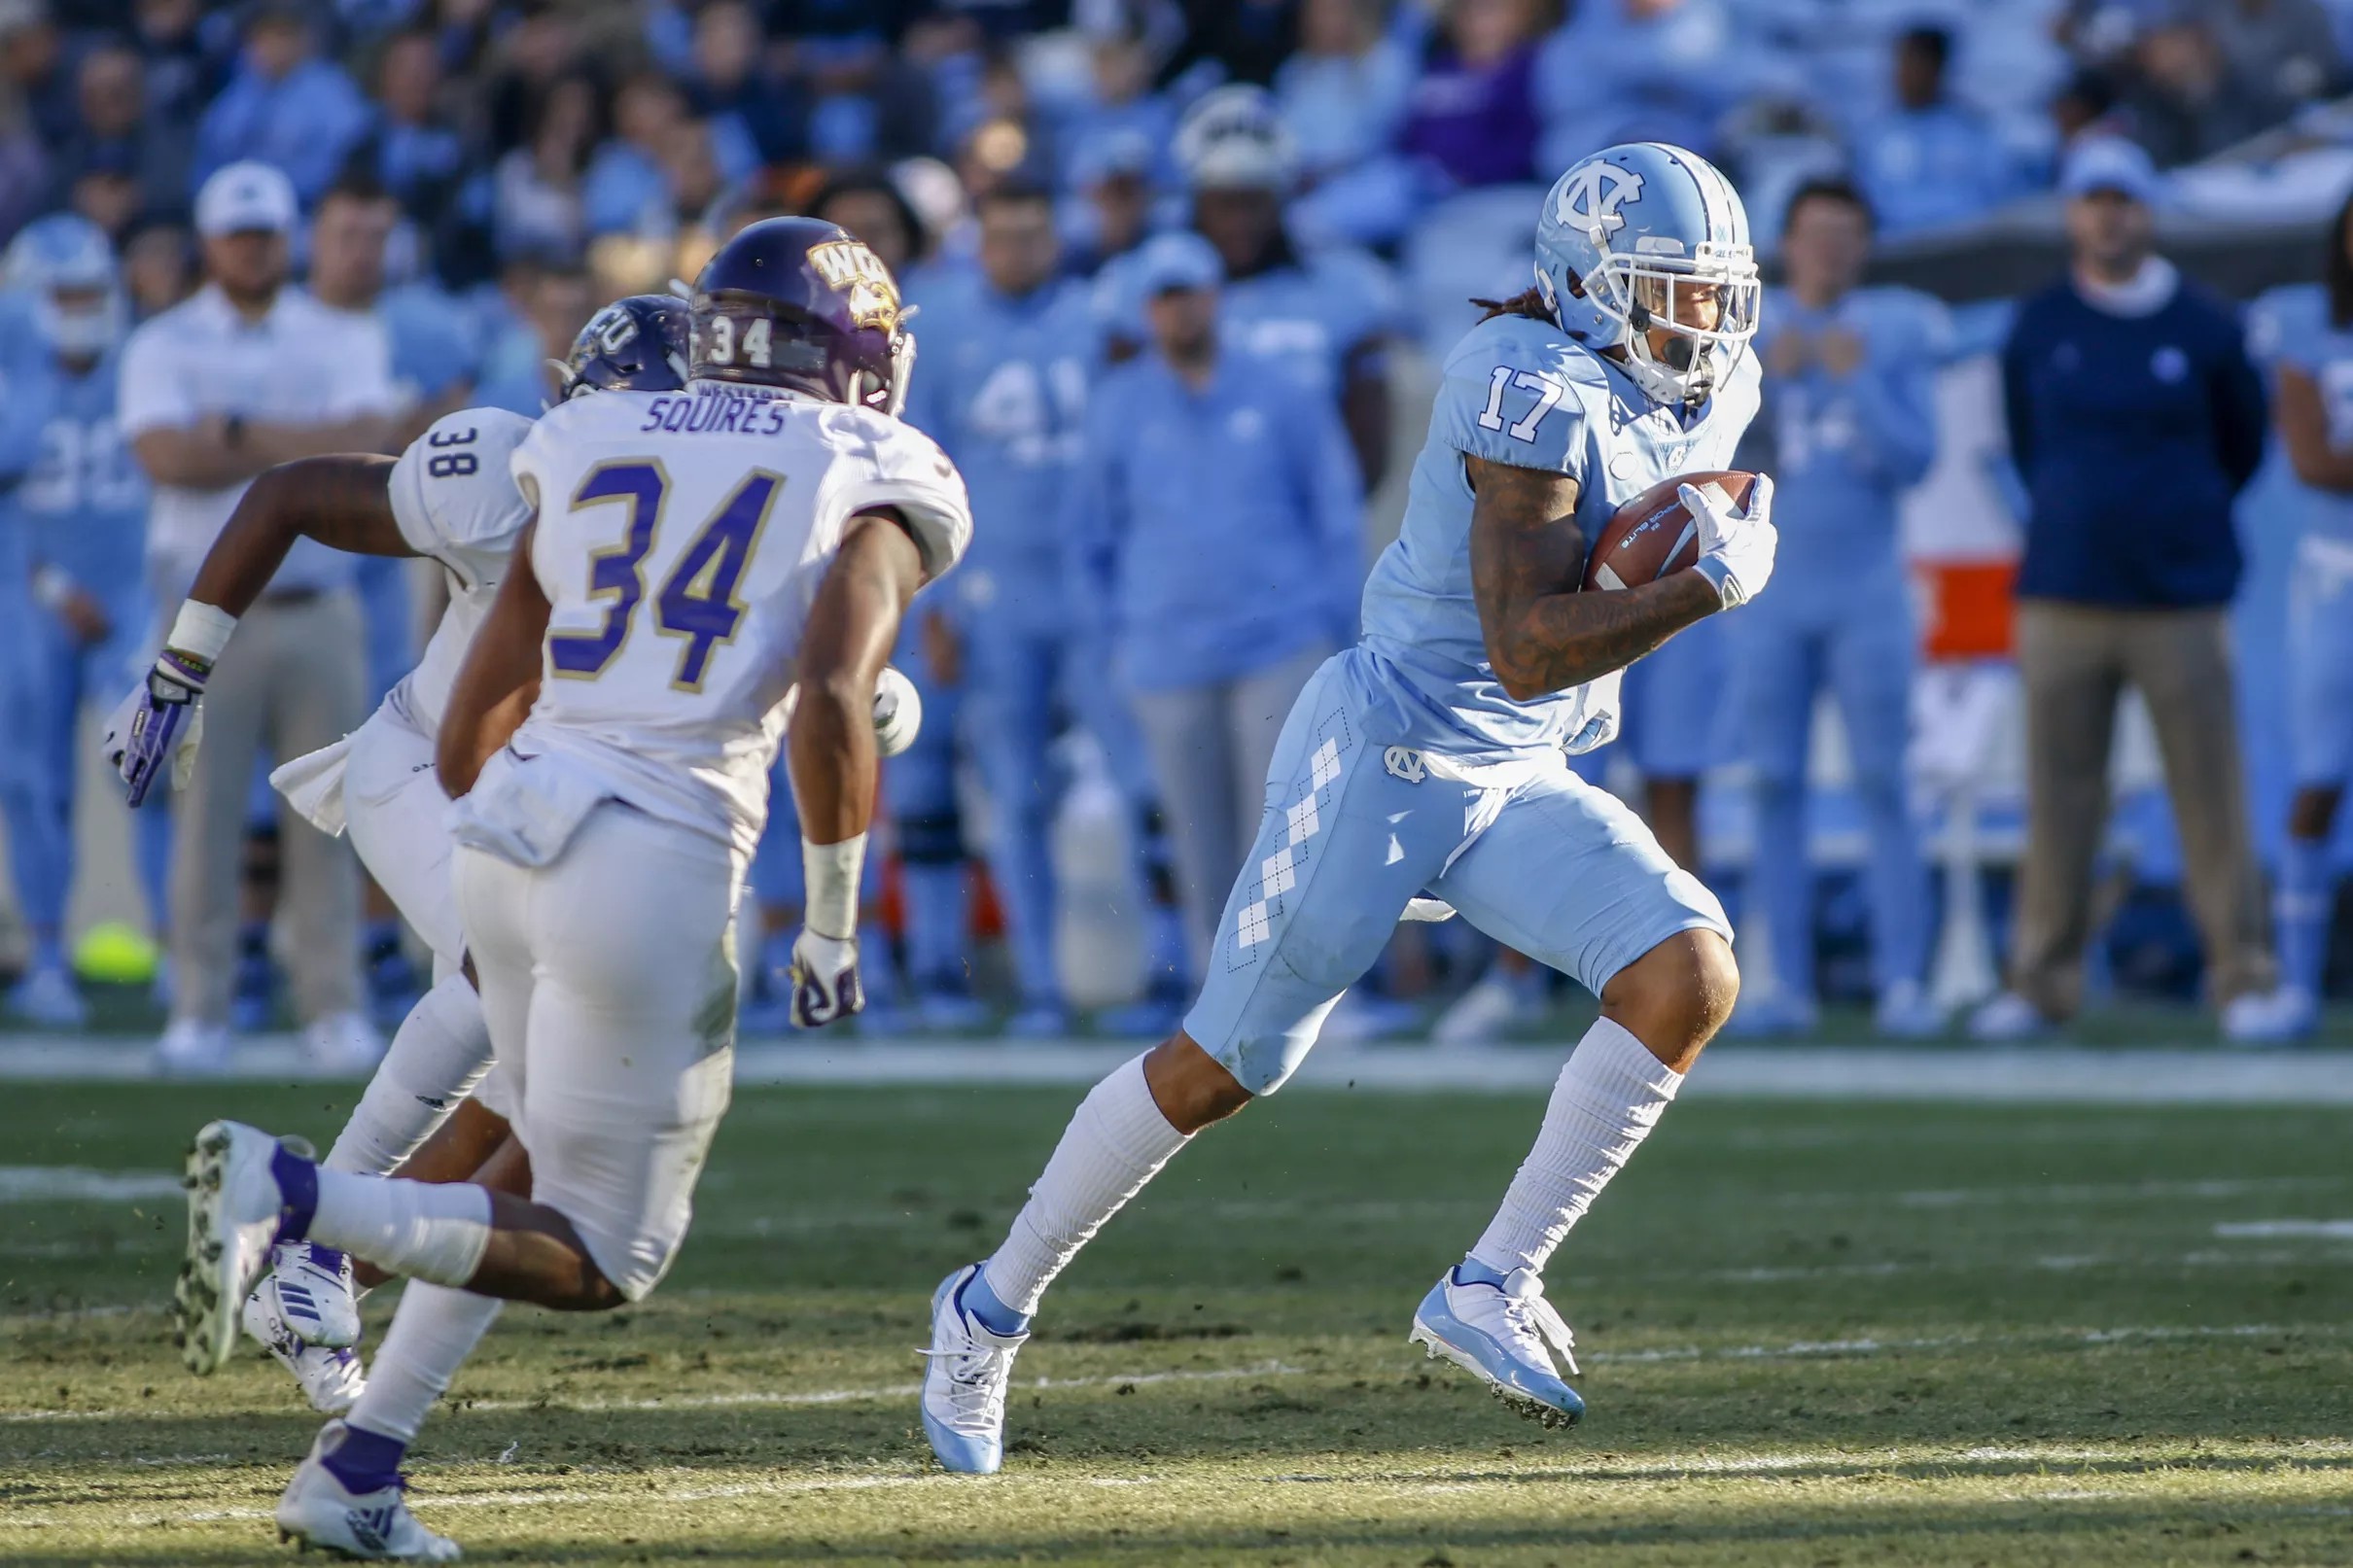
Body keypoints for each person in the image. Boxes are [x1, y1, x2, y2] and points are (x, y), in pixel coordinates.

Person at [921, 142, 1777, 1472]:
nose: (1705, 325)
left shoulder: (1703, 389)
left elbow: (1552, 667)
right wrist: (1701, 588)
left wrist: (1683, 579)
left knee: (1688, 970)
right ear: (1590, 282)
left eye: (1719, 294)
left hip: (1519, 767)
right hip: (1394, 747)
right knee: (1226, 1065)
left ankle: (1490, 1281)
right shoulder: (1523, 377)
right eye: (1673, 291)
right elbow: (1526, 645)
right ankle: (988, 1308)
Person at [172, 216, 970, 1560]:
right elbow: (835, 690)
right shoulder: (871, 458)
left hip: (517, 825)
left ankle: (359, 1467)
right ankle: (300, 1209)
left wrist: (498, 826)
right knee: (609, 1255)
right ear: (846, 352)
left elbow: (490, 680)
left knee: (532, 1162)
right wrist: (833, 922)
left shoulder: (601, 432)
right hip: (652, 859)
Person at [110, 297, 690, 1418]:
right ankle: (291, 1212)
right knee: (506, 962)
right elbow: (287, 494)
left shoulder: (717, 524)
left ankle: (321, 1264)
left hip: (537, 806)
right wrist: (180, 670)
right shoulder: (503, 472)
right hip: (422, 767)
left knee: (544, 1108)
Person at [1976, 138, 2288, 1042]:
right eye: (2091, 201)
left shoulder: (2205, 325)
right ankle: (2039, 983)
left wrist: (2174, 520)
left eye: (2123, 200)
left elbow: (2243, 443)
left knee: (2211, 792)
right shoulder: (2041, 324)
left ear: (2149, 211)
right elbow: (2029, 442)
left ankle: (2245, 977)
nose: (2108, 216)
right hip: (2066, 592)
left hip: (2179, 597)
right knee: (2060, 794)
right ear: (2072, 213)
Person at [117, 160, 399, 1074]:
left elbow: (366, 448)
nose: (255, 249)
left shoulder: (338, 330)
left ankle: (331, 1003)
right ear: (210, 243)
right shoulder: (162, 341)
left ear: (288, 237)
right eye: (240, 236)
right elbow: (166, 456)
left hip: (321, 601)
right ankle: (200, 1006)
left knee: (333, 808)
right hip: (205, 610)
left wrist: (237, 432)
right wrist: (299, 446)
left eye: (268, 234)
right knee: (203, 813)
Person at [907, 178, 1181, 1031]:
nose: (1019, 250)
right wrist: (932, 605)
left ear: (1054, 237)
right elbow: (920, 472)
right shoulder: (947, 325)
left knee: (1144, 782)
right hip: (994, 594)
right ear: (979, 242)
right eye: (1004, 234)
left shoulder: (1105, 321)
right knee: (1015, 796)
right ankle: (1040, 984)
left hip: (1094, 591)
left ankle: (1173, 970)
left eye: (1034, 232)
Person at [1067, 229, 1364, 978]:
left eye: (1190, 294)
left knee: (1291, 823)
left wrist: (1336, 626)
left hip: (1277, 637)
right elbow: (1090, 534)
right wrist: (1116, 640)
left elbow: (1333, 511)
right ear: (1146, 309)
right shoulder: (1118, 406)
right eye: (1164, 298)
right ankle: (1218, 991)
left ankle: (1308, 987)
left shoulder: (1281, 390)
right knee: (1199, 837)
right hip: (1167, 649)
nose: (1180, 313)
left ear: (1215, 297)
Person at [1731, 177, 1945, 1038]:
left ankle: (1904, 980)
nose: (1830, 250)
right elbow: (1715, 460)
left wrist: (1856, 385)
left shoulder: (1893, 327)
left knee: (1885, 780)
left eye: (1846, 234)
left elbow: (1917, 458)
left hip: (1866, 589)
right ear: (1788, 241)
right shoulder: (1750, 327)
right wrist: (1766, 394)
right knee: (1773, 782)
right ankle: (1786, 981)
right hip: (1770, 593)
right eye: (1816, 233)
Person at [0, 215, 161, 1028]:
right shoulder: (14, 377)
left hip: (131, 592)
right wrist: (59, 587)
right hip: (30, 600)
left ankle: (173, 946)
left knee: (154, 767)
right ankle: (48, 952)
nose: (80, 307)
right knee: (32, 782)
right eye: (61, 293)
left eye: (90, 291)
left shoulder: (141, 366)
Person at [1165, 86, 1399, 489]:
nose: (1239, 222)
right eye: (1224, 203)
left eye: (1253, 202)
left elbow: (1368, 459)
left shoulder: (1343, 289)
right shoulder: (1151, 287)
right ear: (1196, 202)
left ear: (1280, 199)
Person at [2259, 187, 2353, 1037]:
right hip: (2338, 575)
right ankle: (2294, 985)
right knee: (2321, 774)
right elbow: (2316, 461)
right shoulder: (2309, 329)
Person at [1851, 24, 2018, 238]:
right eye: (1900, 63)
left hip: (1965, 250)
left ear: (1937, 68)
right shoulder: (1873, 134)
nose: (1902, 73)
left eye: (1913, 63)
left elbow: (1999, 194)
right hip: (1894, 254)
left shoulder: (1974, 131)